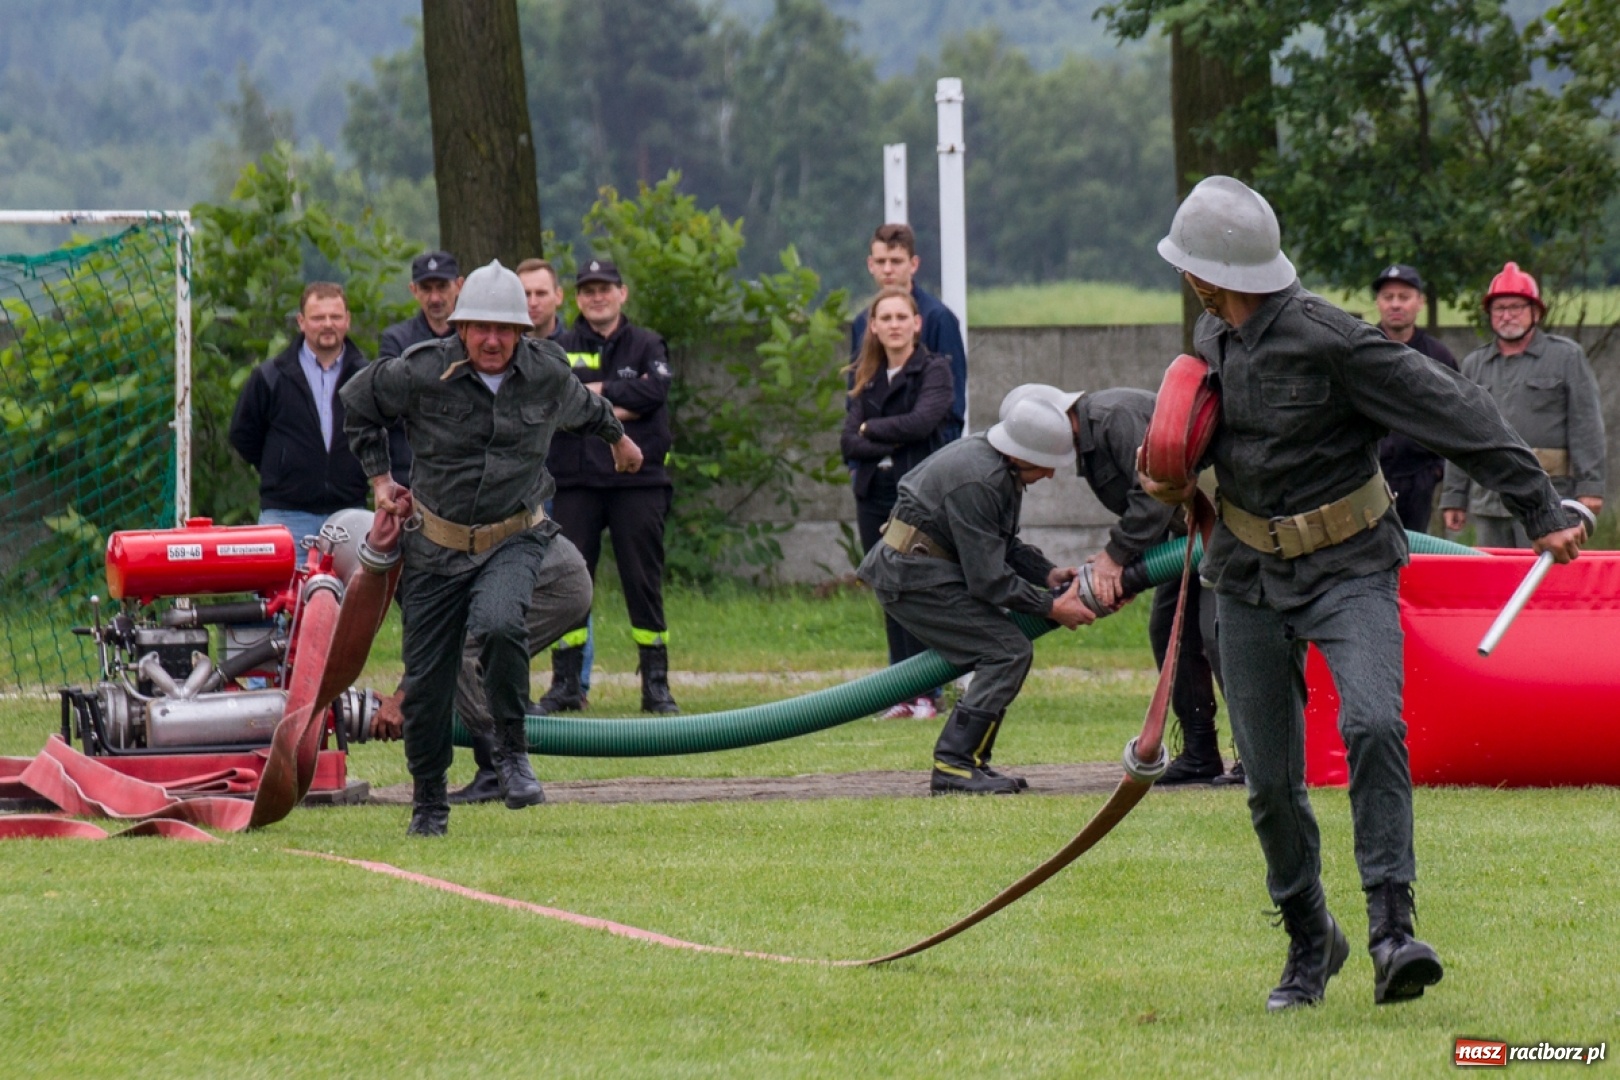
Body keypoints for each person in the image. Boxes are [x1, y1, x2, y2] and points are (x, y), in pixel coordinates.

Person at [1145, 176, 1588, 1011]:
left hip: (1349, 567)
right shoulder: (1213, 337)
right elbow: (1187, 433)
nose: (1189, 281)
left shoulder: (1333, 341)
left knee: (1374, 723)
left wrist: (1537, 505)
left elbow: (1451, 403)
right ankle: (1311, 941)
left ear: (1215, 273)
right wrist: (1164, 469)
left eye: (1192, 268)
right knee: (1270, 782)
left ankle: (1392, 930)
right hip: (1244, 576)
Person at [342, 260, 642, 837]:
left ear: (523, 332)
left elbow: (586, 406)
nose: (492, 340)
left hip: (516, 534)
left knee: (503, 624)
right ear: (460, 327)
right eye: (480, 327)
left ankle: (510, 751)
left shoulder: (547, 372)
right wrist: (380, 481)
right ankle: (429, 802)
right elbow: (360, 404)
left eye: (505, 329)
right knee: (426, 688)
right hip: (434, 545)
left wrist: (621, 441)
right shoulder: (420, 371)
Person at [856, 392, 1097, 795]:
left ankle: (970, 764)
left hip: (924, 571)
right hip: (911, 577)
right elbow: (989, 580)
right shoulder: (980, 480)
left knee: (1006, 648)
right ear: (1025, 454)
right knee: (1006, 651)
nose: (1053, 475)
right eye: (1049, 465)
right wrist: (1052, 606)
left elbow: (1002, 543)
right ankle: (954, 764)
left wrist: (1049, 573)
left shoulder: (998, 466)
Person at [999, 383, 1231, 785]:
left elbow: (1155, 497)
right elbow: (1151, 507)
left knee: (1219, 635)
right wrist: (1123, 577)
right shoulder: (1090, 438)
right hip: (1190, 537)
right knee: (1168, 633)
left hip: (1225, 528)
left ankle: (1260, 754)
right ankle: (1199, 754)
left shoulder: (1112, 419)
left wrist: (1114, 559)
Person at [544, 259, 679, 716]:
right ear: (577, 298)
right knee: (567, 581)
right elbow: (559, 402)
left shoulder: (647, 343)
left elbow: (653, 396)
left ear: (622, 293)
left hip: (638, 482)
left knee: (643, 581)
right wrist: (619, 399)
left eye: (605, 288)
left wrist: (592, 398)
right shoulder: (559, 347)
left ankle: (656, 685)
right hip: (575, 482)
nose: (596, 297)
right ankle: (565, 683)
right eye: (588, 290)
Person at [371, 533, 595, 805]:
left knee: (465, 651)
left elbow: (440, 642)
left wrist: (401, 700)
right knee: (476, 642)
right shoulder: (408, 549)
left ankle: (496, 773)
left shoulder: (422, 552)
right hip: (548, 566)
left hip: (558, 581)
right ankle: (512, 721)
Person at [841, 287, 956, 719]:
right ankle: (901, 692)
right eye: (884, 318)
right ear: (873, 326)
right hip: (873, 493)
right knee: (887, 587)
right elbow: (848, 440)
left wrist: (872, 428)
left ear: (916, 324)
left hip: (916, 493)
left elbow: (925, 422)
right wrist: (875, 434)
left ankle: (929, 692)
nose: (893, 325)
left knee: (917, 586)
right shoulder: (865, 377)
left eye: (900, 317)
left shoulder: (935, 371)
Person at [1440, 262, 1606, 546]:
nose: (1507, 316)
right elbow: (1458, 432)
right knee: (1495, 582)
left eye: (1515, 307)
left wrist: (1590, 486)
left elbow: (1586, 425)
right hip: (1489, 500)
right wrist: (1454, 496)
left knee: (1545, 581)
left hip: (1550, 499)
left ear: (1536, 312)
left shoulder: (1566, 357)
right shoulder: (1474, 364)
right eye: (1499, 309)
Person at [228, 282, 369, 549]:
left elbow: (386, 433)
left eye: (335, 317)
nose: (327, 324)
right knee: (281, 592)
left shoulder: (367, 378)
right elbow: (243, 434)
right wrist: (281, 465)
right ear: (301, 322)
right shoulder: (270, 377)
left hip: (349, 516)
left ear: (347, 321)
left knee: (351, 592)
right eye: (318, 318)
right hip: (286, 517)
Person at [849, 224, 968, 442]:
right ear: (870, 265)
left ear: (913, 264)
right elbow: (855, 395)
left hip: (928, 453)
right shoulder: (861, 323)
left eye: (895, 261)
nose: (887, 269)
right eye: (880, 261)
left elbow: (953, 403)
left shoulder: (938, 318)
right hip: (873, 459)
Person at [1369, 265, 1460, 533]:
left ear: (1420, 302)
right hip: (1369, 480)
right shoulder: (1360, 351)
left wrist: (1437, 471)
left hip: (1422, 481)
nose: (1395, 304)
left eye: (1404, 296)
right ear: (1378, 303)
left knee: (1421, 557)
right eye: (1388, 297)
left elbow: (1456, 419)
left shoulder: (1438, 357)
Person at [376, 250, 466, 489]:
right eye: (426, 288)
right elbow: (389, 403)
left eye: (442, 287)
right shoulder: (396, 340)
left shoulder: (475, 339)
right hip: (409, 475)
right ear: (413, 290)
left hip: (465, 475)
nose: (435, 298)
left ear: (459, 285)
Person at [518, 257, 567, 340]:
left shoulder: (576, 348)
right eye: (526, 294)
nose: (533, 303)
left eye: (541, 294)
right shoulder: (506, 350)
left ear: (558, 296)